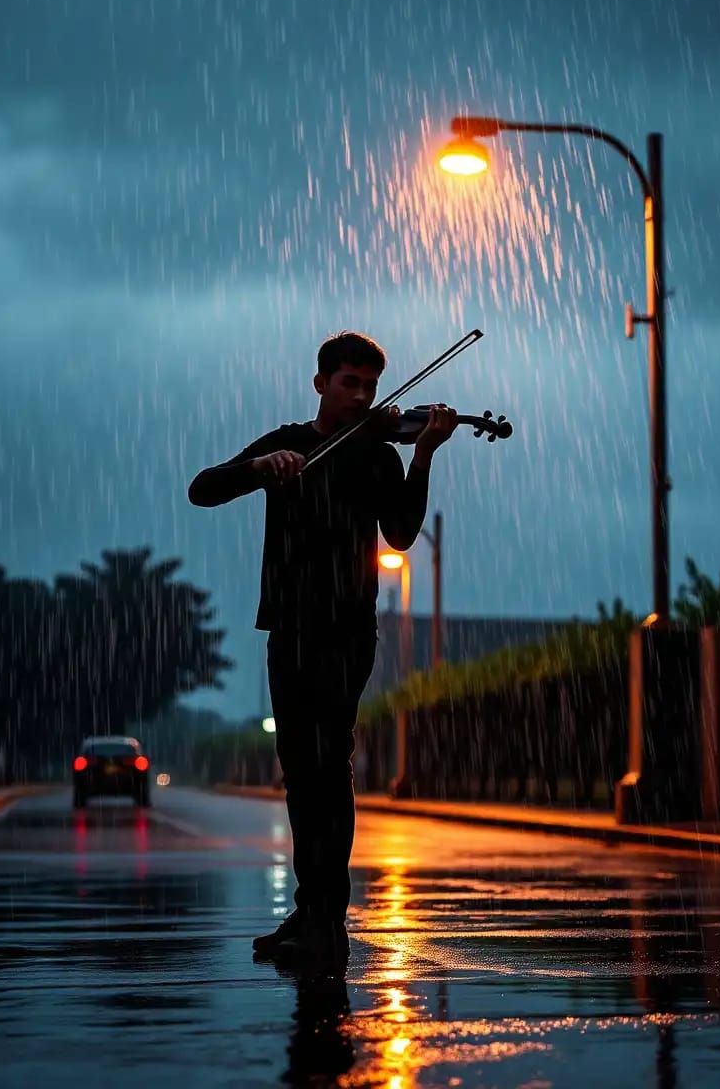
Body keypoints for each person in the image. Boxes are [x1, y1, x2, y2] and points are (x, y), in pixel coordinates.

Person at [187, 331, 457, 970]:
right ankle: (315, 912)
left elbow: (400, 531)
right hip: (289, 627)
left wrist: (422, 456)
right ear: (320, 384)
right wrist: (258, 468)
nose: (362, 396)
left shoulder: (376, 456)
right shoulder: (290, 444)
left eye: (369, 386)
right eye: (349, 384)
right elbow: (203, 488)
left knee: (327, 768)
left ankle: (325, 922)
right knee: (302, 774)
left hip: (346, 630)